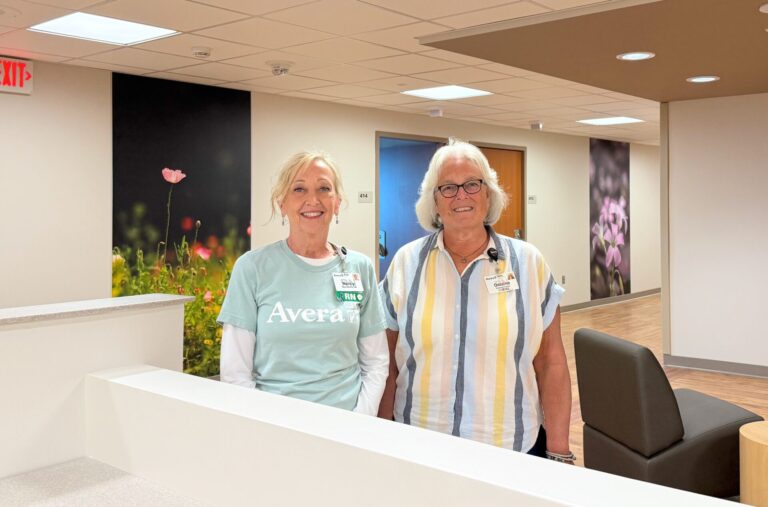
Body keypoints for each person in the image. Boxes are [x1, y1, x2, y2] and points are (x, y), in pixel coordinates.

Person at [378, 139, 573, 463]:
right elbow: (386, 364)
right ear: (434, 201)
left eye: (472, 184)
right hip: (419, 446)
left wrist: (559, 451)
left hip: (510, 448)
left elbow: (551, 363)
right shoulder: (405, 263)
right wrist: (380, 440)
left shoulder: (528, 263)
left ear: (488, 194)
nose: (461, 196)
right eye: (448, 188)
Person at [217, 151, 388, 415]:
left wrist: (359, 420)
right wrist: (266, 424)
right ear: (282, 203)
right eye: (299, 189)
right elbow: (235, 373)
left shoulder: (359, 267)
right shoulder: (252, 268)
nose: (313, 199)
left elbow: (376, 362)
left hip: (346, 424)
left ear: (337, 203)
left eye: (324, 188)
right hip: (274, 425)